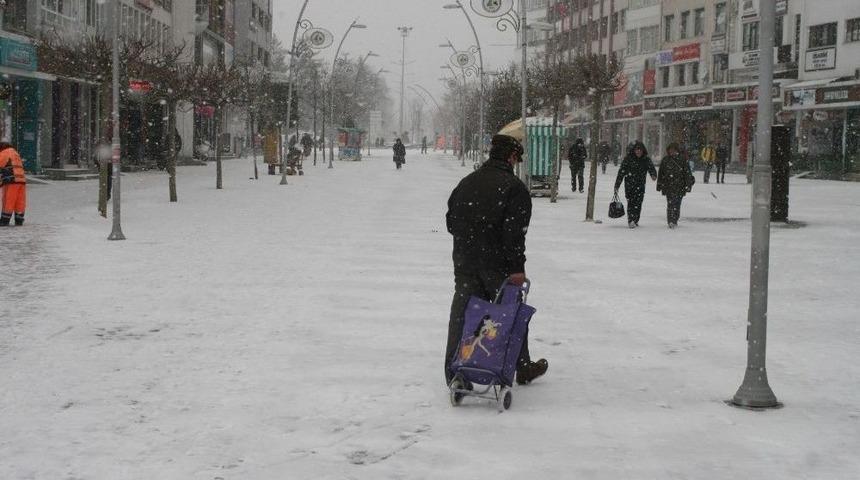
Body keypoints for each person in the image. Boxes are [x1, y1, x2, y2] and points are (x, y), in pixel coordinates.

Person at [445, 134, 548, 386]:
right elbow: (514, 234)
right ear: (512, 157)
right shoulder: (514, 188)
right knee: (510, 314)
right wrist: (516, 268)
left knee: (463, 315)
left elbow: (451, 222)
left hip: (466, 261)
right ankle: (521, 366)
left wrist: (472, 240)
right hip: (499, 265)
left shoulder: (467, 182)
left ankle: (455, 373)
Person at [614, 141, 657, 228]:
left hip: (640, 185)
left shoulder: (646, 159)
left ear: (643, 151)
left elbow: (651, 168)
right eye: (637, 150)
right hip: (629, 185)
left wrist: (653, 175)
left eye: (640, 150)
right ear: (634, 150)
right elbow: (621, 172)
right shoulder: (628, 159)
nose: (638, 152)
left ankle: (636, 220)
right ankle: (631, 220)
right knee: (631, 203)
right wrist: (617, 185)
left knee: (638, 203)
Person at [657, 143, 695, 229]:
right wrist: (659, 184)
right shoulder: (665, 160)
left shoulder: (682, 160)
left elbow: (687, 173)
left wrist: (688, 185)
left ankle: (675, 219)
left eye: (673, 150)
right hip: (668, 186)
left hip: (680, 186)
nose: (672, 151)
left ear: (677, 150)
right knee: (670, 203)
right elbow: (661, 173)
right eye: (670, 149)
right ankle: (670, 220)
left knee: (677, 204)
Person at [0, 142, 27, 226]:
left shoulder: (4, 153)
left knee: (8, 200)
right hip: (21, 181)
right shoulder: (15, 153)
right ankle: (19, 219)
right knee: (19, 201)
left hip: (11, 180)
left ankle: (4, 220)